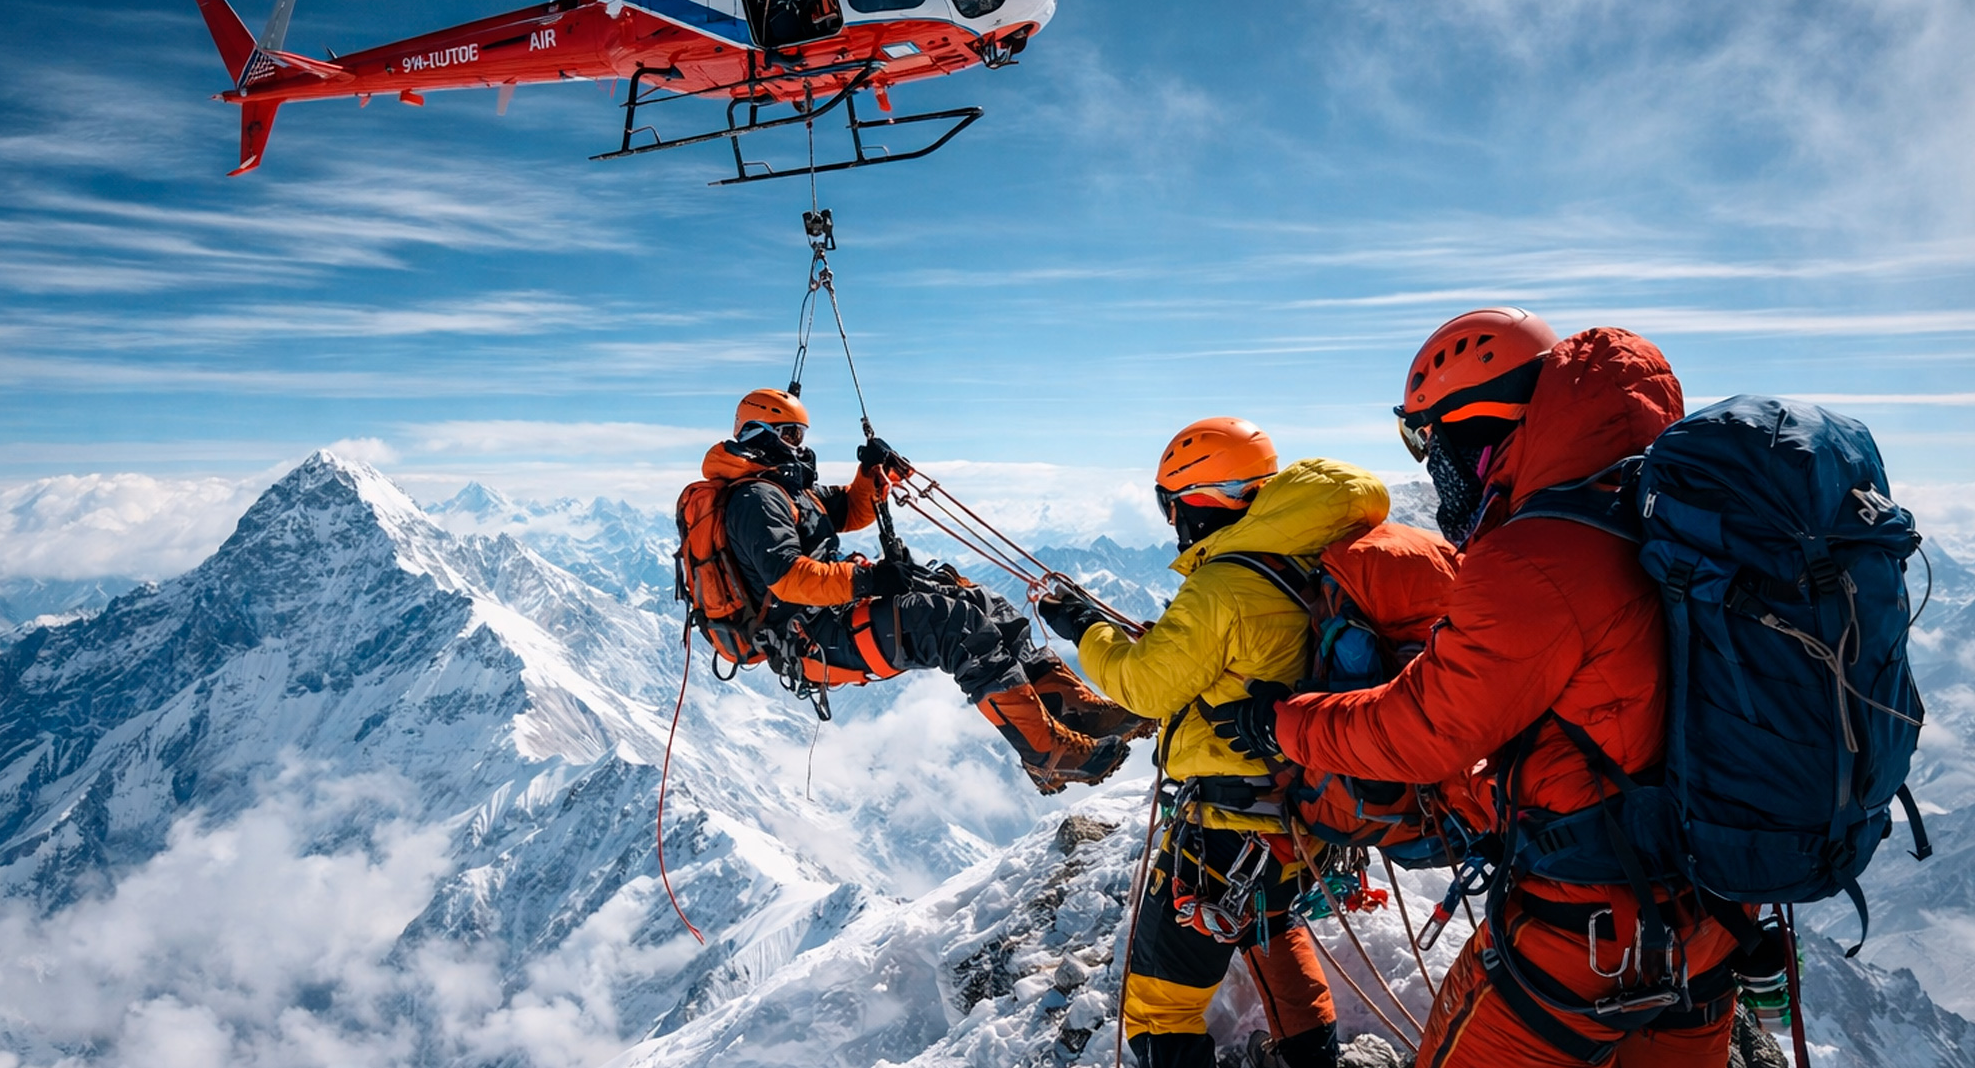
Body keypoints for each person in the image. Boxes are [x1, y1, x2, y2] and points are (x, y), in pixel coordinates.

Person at [1216, 310, 1748, 1067]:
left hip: (1588, 931)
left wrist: (1284, 723)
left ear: (1476, 427)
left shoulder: (1539, 553)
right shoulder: (1658, 517)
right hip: (1716, 916)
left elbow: (1423, 729)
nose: (1434, 465)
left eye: (1428, 440)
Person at [1041, 418, 1396, 1068]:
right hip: (1294, 808)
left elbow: (1145, 686)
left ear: (1193, 502)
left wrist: (1087, 628)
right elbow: (1230, 660)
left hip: (1226, 826)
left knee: (1158, 1001)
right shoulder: (1299, 556)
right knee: (1271, 929)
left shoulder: (1224, 583)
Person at [689, 388, 1144, 794]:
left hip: (831, 615)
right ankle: (1047, 755)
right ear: (759, 431)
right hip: (813, 637)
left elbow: (849, 510)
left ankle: (1069, 707)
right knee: (952, 625)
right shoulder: (756, 500)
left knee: (981, 602)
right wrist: (868, 580)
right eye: (790, 434)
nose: (798, 446)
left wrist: (869, 475)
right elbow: (787, 578)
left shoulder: (788, 489)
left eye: (800, 436)